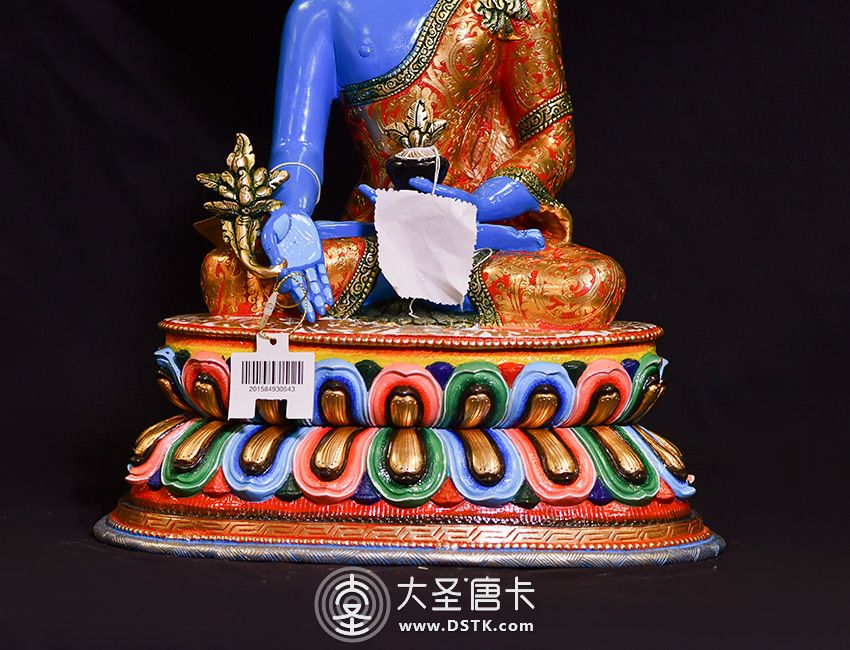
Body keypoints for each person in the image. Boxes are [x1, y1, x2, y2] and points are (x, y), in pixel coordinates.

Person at [201, 0, 625, 329]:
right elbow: (297, 148)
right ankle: (409, 282)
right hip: (377, 238)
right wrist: (291, 215)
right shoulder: (321, 11)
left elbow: (553, 141)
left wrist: (479, 204)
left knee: (591, 283)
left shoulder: (512, 3)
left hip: (484, 242)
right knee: (228, 277)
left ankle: (411, 288)